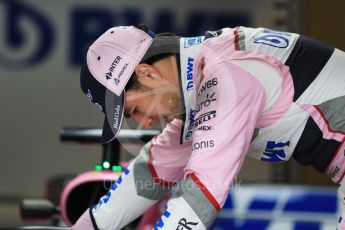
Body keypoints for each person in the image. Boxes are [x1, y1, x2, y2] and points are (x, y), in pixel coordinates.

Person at [73, 24, 345, 230]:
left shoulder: (223, 76)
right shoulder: (199, 76)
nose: (144, 122)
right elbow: (153, 171)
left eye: (134, 110)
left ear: (147, 73)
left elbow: (203, 192)